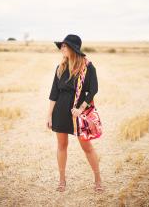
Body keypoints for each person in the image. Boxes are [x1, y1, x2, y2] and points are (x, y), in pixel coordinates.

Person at [46, 34, 104, 192]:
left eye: (65, 46)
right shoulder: (61, 68)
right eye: (62, 46)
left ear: (73, 48)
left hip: (78, 113)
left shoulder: (88, 67)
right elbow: (54, 93)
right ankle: (62, 180)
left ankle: (98, 179)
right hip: (60, 111)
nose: (62, 49)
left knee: (87, 147)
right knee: (61, 145)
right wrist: (49, 115)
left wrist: (80, 109)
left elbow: (93, 90)